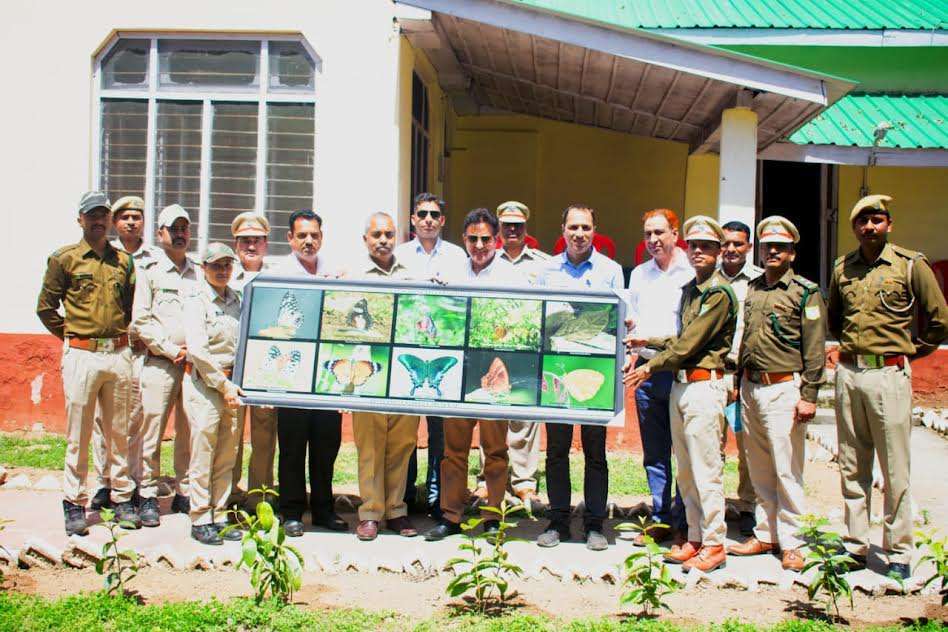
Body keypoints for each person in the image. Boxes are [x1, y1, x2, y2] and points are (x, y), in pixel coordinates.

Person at [828, 194, 948, 579]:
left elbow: (939, 318)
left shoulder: (910, 264)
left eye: (876, 220)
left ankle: (898, 551)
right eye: (862, 221)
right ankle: (855, 544)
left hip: (889, 375)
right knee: (852, 464)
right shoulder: (842, 267)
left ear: (888, 224)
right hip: (849, 374)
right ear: (854, 227)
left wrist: (912, 352)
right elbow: (834, 319)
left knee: (894, 467)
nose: (869, 227)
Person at [624, 215, 737, 573]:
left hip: (704, 385)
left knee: (706, 470)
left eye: (707, 246)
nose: (699, 251)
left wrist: (649, 366)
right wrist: (649, 341)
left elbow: (690, 344)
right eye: (695, 246)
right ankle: (695, 537)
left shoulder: (718, 293)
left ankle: (715, 543)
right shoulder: (691, 289)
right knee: (686, 472)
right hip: (681, 384)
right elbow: (678, 338)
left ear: (719, 251)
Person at [36, 191, 138, 534]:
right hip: (82, 354)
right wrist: (73, 335)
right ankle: (75, 501)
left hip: (118, 354)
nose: (97, 221)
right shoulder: (65, 259)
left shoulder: (123, 262)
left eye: (102, 215)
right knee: (78, 433)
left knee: (119, 432)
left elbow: (128, 306)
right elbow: (46, 308)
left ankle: (122, 498)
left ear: (109, 220)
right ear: (80, 219)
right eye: (91, 215)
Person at [727, 216, 826, 571]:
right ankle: (766, 533)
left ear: (792, 253)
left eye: (780, 247)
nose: (773, 252)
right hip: (751, 387)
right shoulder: (753, 289)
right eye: (768, 246)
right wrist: (736, 383)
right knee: (759, 468)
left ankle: (793, 542)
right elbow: (743, 339)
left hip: (784, 388)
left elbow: (815, 349)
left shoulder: (805, 292)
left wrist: (809, 394)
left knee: (787, 470)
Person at [423, 208, 515, 541]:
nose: (479, 246)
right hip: (457, 370)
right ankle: (451, 516)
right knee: (453, 451)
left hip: (493, 366)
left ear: (497, 240)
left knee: (495, 450)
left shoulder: (511, 276)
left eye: (485, 239)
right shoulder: (448, 272)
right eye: (473, 239)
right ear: (464, 239)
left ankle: (492, 516)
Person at [536, 204, 624, 552]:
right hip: (556, 370)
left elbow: (618, 321)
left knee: (594, 451)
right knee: (556, 450)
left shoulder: (611, 271)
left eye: (585, 227)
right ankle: (558, 521)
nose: (579, 234)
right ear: (563, 230)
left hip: (596, 372)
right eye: (573, 227)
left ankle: (594, 524)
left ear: (594, 230)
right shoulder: (547, 271)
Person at [471, 201, 550, 508]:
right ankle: (486, 480)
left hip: (526, 349)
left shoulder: (542, 264)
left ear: (526, 228)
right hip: (490, 347)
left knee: (524, 417)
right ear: (499, 230)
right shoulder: (487, 258)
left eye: (518, 225)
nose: (513, 230)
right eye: (507, 225)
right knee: (490, 412)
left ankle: (524, 482)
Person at [394, 193, 467, 519]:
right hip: (408, 351)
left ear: (442, 220)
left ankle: (438, 499)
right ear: (413, 219)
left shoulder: (456, 256)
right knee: (405, 431)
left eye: (434, 214)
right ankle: (406, 496)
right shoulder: (399, 255)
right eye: (422, 214)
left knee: (441, 432)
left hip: (442, 352)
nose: (427, 219)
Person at [275, 210, 346, 536]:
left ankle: (323, 510)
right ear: (290, 238)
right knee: (292, 446)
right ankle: (291, 511)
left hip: (326, 374)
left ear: (322, 238)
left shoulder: (335, 272)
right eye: (302, 235)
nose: (308, 241)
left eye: (314, 235)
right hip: (293, 372)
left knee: (326, 445)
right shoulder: (279, 273)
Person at [350, 212, 421, 541]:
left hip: (404, 370)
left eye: (389, 235)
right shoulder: (352, 275)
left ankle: (395, 509)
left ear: (398, 238)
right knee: (370, 445)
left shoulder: (412, 274)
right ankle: (370, 512)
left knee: (402, 444)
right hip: (367, 369)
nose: (383, 240)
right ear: (365, 239)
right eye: (376, 234)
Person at [625, 209, 692, 545]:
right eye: (648, 234)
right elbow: (632, 321)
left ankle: (685, 521)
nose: (653, 240)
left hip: (682, 373)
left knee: (686, 451)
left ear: (675, 234)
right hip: (647, 374)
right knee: (655, 452)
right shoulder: (639, 275)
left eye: (659, 233)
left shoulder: (691, 271)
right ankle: (661, 518)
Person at [130, 204, 198, 527]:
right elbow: (141, 320)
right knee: (153, 429)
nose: (180, 234)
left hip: (193, 364)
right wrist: (171, 350)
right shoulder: (150, 271)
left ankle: (184, 491)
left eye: (184, 228)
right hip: (161, 362)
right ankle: (147, 493)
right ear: (160, 234)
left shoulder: (199, 271)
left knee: (189, 430)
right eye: (174, 229)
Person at [90, 195, 159, 510]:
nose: (131, 222)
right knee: (102, 419)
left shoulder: (155, 259)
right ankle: (104, 482)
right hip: (108, 348)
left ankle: (129, 482)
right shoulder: (105, 254)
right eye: (125, 217)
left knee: (134, 419)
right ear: (114, 222)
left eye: (137, 217)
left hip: (139, 350)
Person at [182, 242, 245, 545]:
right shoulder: (196, 302)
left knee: (227, 454)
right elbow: (198, 351)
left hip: (233, 386)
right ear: (203, 267)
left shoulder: (238, 300)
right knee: (203, 452)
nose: (222, 270)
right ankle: (199, 516)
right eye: (216, 265)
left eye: (227, 265)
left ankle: (219, 514)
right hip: (206, 385)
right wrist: (223, 385)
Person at [228, 212, 277, 511]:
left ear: (265, 244)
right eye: (244, 240)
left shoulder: (277, 276)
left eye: (256, 240)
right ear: (235, 244)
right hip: (232, 367)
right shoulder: (224, 274)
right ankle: (229, 495)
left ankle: (260, 496)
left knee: (264, 435)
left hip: (264, 368)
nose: (251, 246)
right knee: (231, 434)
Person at [718, 220, 763, 536]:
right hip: (713, 373)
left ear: (749, 246)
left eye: (738, 243)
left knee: (748, 447)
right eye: (726, 243)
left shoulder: (760, 281)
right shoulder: (707, 278)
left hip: (746, 375)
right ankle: (712, 507)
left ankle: (748, 505)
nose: (731, 249)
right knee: (711, 446)